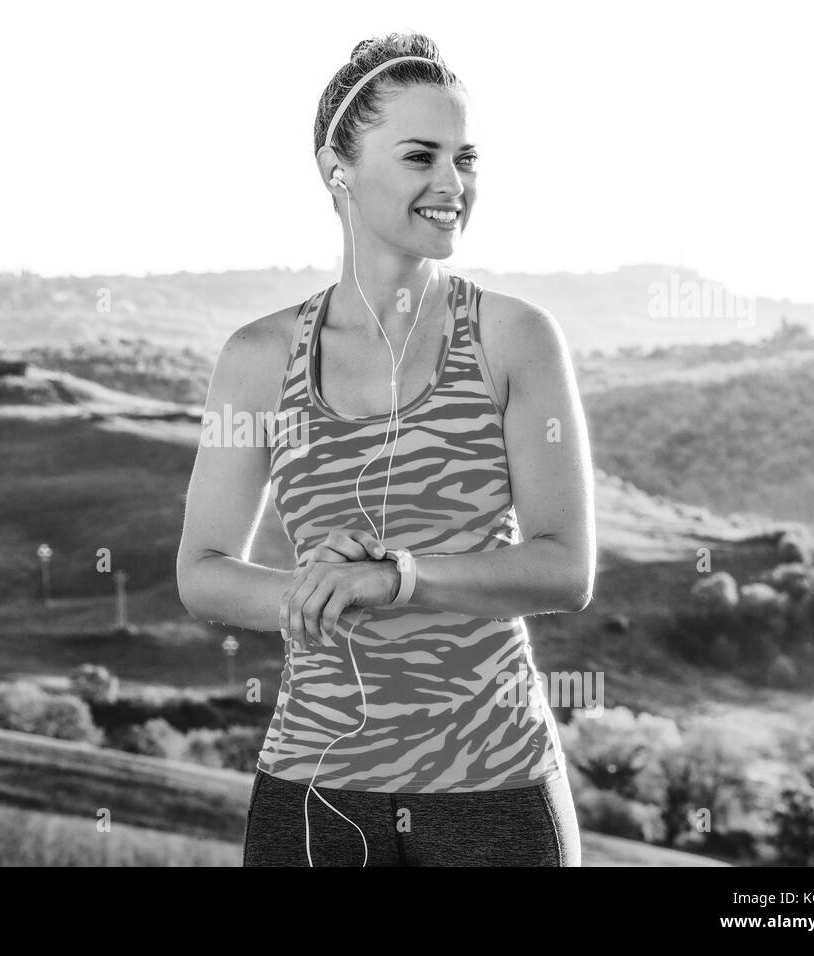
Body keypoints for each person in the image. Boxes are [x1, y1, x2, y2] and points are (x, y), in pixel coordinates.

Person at [176, 31, 596, 866]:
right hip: (314, 792)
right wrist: (322, 592)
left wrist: (398, 577)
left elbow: (566, 568)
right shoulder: (259, 359)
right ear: (339, 170)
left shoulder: (515, 339)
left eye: (465, 157)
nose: (453, 185)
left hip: (496, 793)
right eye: (420, 156)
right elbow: (203, 570)